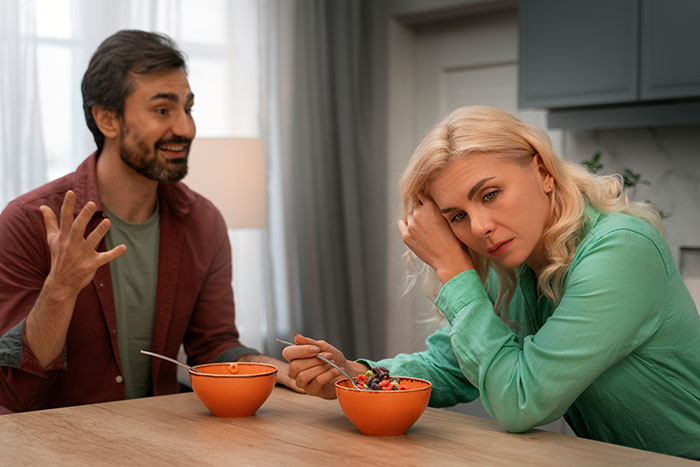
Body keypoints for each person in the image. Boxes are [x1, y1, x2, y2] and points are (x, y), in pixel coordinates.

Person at [282, 106, 700, 458]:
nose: (480, 227)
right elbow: (450, 367)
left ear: (542, 171)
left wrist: (453, 269)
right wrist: (357, 375)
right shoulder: (519, 261)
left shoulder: (621, 249)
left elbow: (521, 401)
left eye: (490, 194)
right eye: (456, 217)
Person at [0, 29, 300, 413]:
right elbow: (13, 391)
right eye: (163, 110)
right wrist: (60, 290)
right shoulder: (29, 222)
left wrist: (272, 369)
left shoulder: (203, 222)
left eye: (188, 109)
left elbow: (212, 346)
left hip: (160, 442)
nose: (186, 128)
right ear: (107, 119)